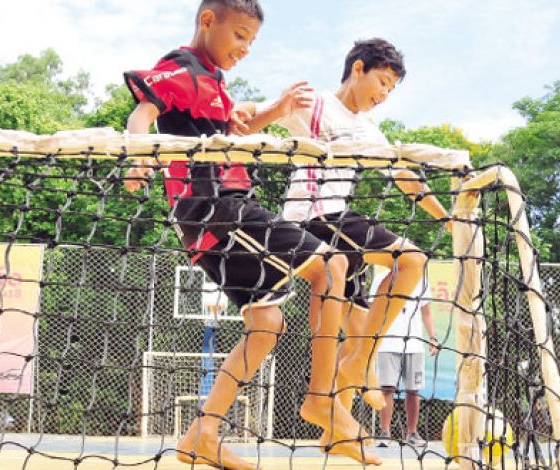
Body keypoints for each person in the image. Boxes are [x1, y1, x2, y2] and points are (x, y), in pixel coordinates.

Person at [122, 1, 376, 468]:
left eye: (252, 41)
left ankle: (202, 433)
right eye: (239, 35)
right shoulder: (183, 67)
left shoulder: (215, 86)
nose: (245, 48)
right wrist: (137, 149)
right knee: (332, 265)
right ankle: (321, 398)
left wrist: (275, 111)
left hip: (210, 225)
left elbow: (228, 140)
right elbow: (144, 111)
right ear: (207, 21)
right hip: (216, 207)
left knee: (267, 325)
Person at [239, 38, 450, 449]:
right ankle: (360, 365)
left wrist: (448, 217)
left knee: (355, 327)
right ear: (358, 68)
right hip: (314, 219)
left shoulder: (371, 132)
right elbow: (249, 114)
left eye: (392, 89)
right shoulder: (314, 103)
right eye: (383, 81)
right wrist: (257, 110)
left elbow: (407, 179)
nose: (384, 94)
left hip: (343, 230)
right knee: (411, 259)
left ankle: (335, 428)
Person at [369, 268, 438, 448]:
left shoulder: (420, 279)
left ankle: (412, 433)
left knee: (413, 390)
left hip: (414, 344)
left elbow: (427, 312)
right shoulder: (381, 278)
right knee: (387, 389)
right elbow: (372, 310)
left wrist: (433, 338)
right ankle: (385, 433)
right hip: (386, 343)